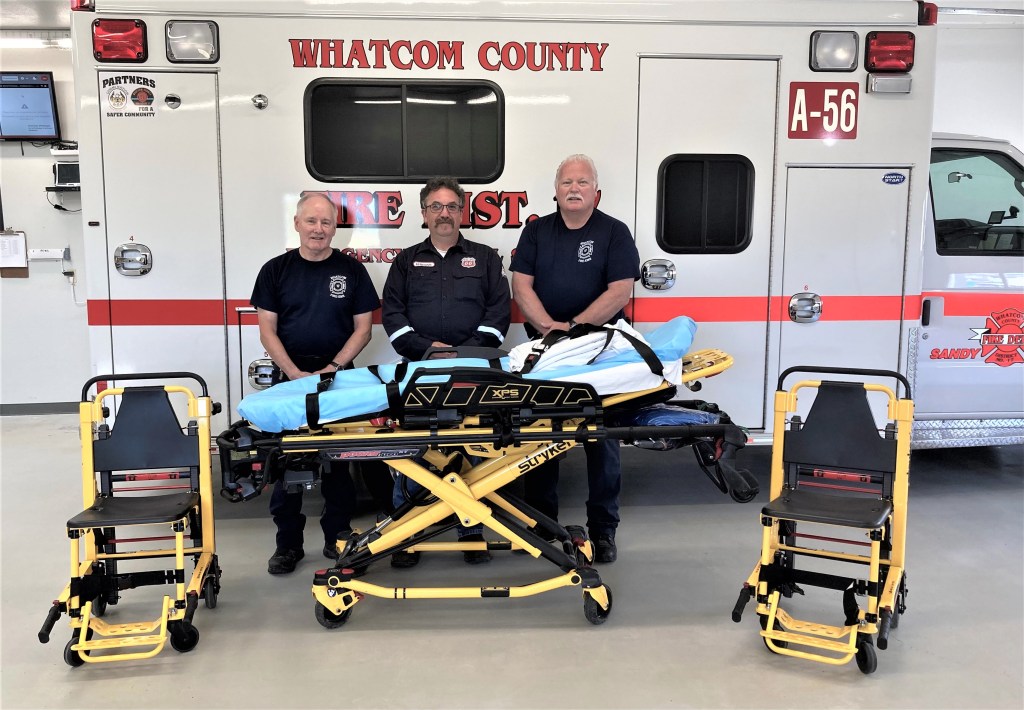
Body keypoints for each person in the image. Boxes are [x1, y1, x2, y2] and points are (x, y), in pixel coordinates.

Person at [509, 154, 640, 564]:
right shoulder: (536, 233)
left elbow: (621, 291)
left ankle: (603, 530)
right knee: (541, 441)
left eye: (582, 182)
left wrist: (577, 327)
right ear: (556, 191)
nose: (574, 188)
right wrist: (550, 327)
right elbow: (520, 284)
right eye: (567, 182)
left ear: (596, 192)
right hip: (549, 351)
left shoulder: (614, 233)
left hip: (602, 350)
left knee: (602, 446)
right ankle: (542, 525)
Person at [382, 176, 511, 566]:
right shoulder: (405, 261)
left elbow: (498, 315)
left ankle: (470, 530)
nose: (444, 214)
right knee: (414, 451)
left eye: (451, 206)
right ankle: (408, 533)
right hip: (420, 372)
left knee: (471, 448)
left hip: (471, 372)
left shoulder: (487, 258)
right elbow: (393, 316)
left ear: (462, 212)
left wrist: (464, 354)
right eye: (435, 207)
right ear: (424, 213)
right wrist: (425, 351)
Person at [251, 191, 381, 575]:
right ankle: (287, 544)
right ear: (297, 223)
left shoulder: (352, 271)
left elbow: (364, 330)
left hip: (338, 378)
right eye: (311, 221)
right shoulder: (275, 270)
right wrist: (293, 374)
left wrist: (332, 368)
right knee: (287, 462)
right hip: (289, 381)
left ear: (335, 228)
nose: (318, 229)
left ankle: (336, 536)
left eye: (326, 223)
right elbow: (266, 331)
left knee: (337, 462)